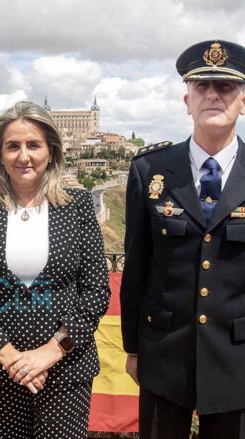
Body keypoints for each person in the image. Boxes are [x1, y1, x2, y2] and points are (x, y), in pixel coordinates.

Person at [0, 100, 111, 438]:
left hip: (66, 369)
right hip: (1, 370)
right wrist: (12, 359)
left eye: (33, 145)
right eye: (13, 146)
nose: (24, 156)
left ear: (51, 151)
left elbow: (96, 290)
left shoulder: (77, 206)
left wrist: (51, 352)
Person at [120, 40, 245, 438]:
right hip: (164, 353)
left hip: (238, 358)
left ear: (243, 100)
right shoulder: (150, 170)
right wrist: (133, 348)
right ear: (186, 100)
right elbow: (137, 266)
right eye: (202, 86)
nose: (213, 95)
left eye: (225, 88)